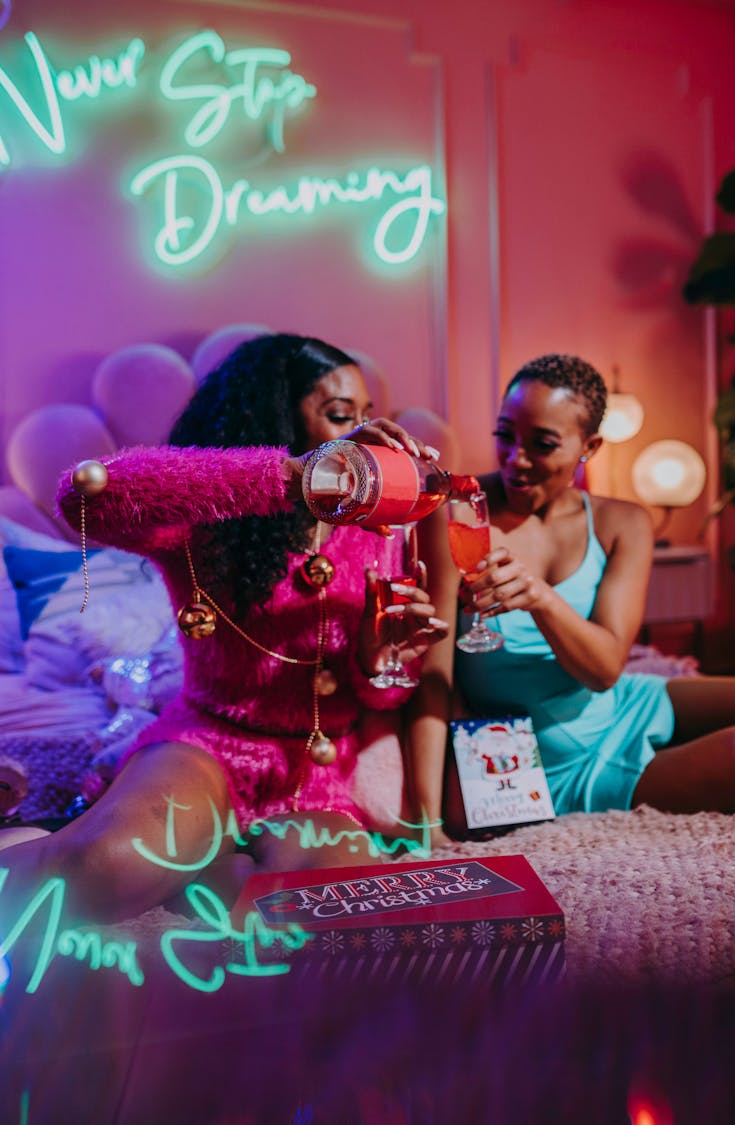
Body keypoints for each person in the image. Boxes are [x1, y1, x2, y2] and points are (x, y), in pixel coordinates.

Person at [0, 334, 449, 923]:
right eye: (340, 416)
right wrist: (297, 477)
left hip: (315, 771)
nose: (364, 437)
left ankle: (203, 866)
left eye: (367, 416)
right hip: (205, 746)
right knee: (106, 869)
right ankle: (173, 859)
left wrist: (376, 659)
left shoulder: (381, 531)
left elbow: (381, 696)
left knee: (317, 915)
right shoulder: (207, 522)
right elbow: (89, 495)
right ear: (273, 420)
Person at [407, 353, 735, 846]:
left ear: (589, 447)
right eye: (505, 435)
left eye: (542, 444)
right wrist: (427, 822)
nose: (515, 460)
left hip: (617, 702)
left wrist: (540, 599)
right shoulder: (458, 515)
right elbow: (433, 676)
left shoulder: (623, 523)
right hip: (549, 759)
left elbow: (606, 667)